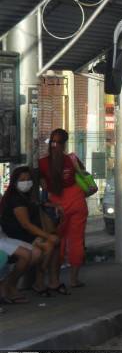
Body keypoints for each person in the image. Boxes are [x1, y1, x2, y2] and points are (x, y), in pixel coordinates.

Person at [0, 166, 63, 296]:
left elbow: (39, 206)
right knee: (47, 246)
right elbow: (26, 224)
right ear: (15, 181)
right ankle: (15, 284)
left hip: (22, 235)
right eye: (22, 180)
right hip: (18, 235)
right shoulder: (16, 199)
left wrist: (53, 205)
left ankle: (49, 281)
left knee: (53, 246)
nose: (26, 182)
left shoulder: (28, 196)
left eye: (28, 179)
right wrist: (47, 236)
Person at [39, 128, 89, 290]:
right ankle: (74, 280)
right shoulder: (72, 159)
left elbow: (44, 188)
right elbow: (84, 175)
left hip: (57, 206)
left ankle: (56, 279)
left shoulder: (42, 163)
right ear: (65, 144)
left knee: (57, 242)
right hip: (77, 200)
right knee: (76, 241)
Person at [0, 222, 42, 305]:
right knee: (25, 254)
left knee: (37, 253)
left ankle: (7, 284)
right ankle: (11, 287)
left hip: (2, 237)